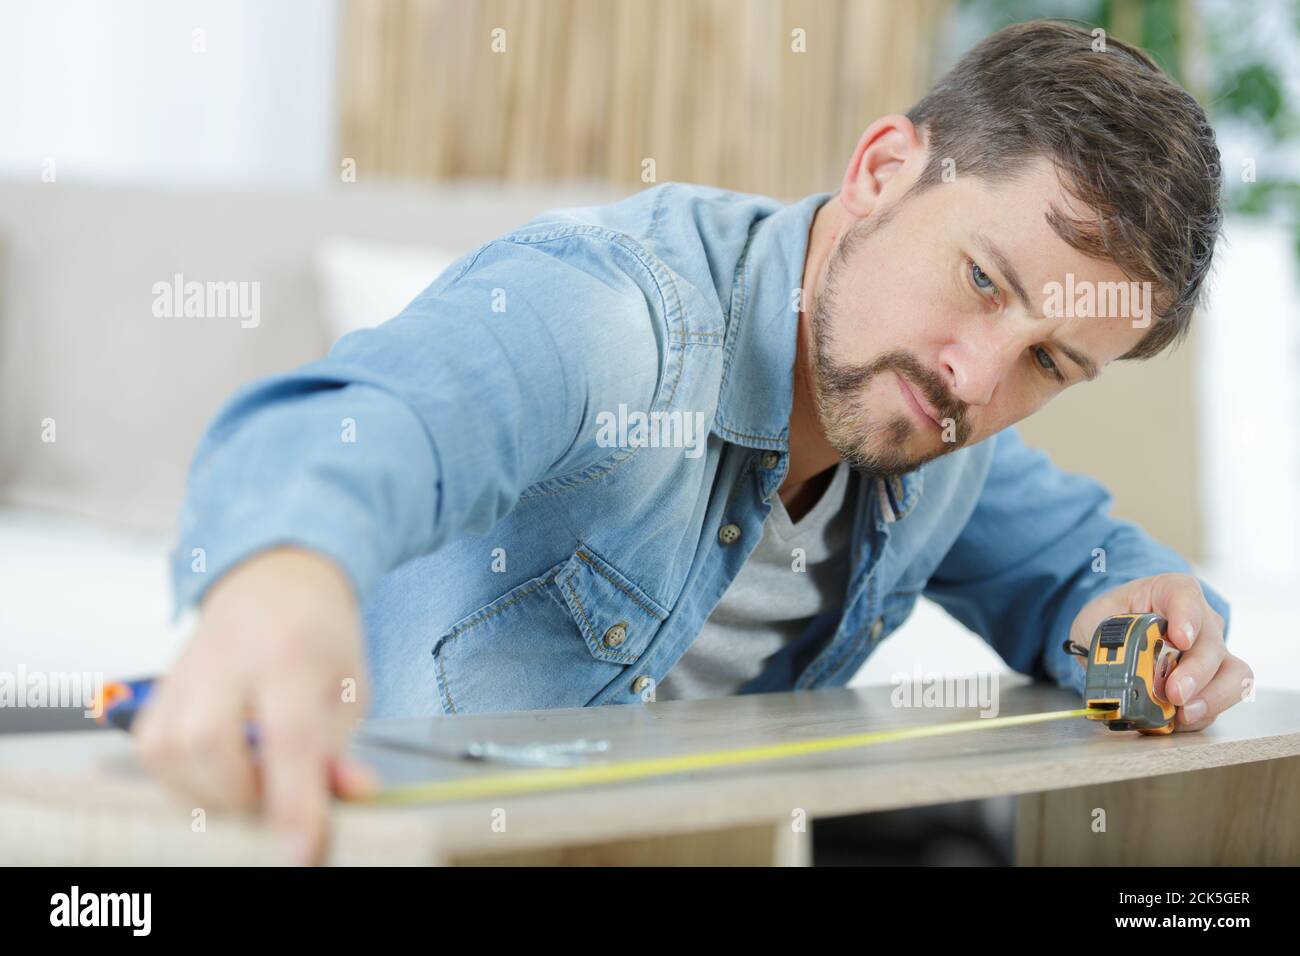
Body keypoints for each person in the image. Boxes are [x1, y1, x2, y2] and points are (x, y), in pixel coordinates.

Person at [135, 19, 1250, 864]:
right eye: (978, 279)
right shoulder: (613, 322)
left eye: (1051, 363)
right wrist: (287, 577)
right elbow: (353, 422)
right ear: (879, 172)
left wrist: (1147, 617)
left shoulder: (938, 432)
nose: (976, 373)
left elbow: (1084, 564)